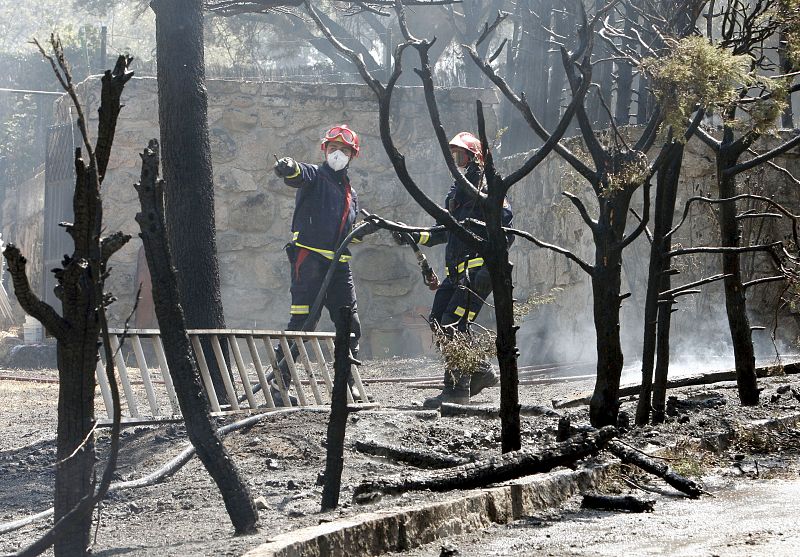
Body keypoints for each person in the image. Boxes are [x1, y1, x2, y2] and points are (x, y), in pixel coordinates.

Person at [396, 131, 513, 408]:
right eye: (454, 156)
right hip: (457, 272)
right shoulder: (457, 194)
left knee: (453, 323)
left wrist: (487, 259)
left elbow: (505, 225)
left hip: (479, 271)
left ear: (474, 158)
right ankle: (481, 371)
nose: (456, 162)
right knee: (438, 320)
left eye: (460, 156)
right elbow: (445, 231)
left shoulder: (486, 187)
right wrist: (413, 234)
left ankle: (457, 390)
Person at [271, 124, 376, 404]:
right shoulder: (315, 176)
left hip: (339, 265)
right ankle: (278, 386)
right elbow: (298, 174)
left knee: (349, 324)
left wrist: (362, 231)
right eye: (333, 148)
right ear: (324, 150)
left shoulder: (351, 193)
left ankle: (346, 385)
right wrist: (288, 166)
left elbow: (345, 233)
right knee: (303, 322)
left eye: (344, 150)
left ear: (352, 155)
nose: (337, 154)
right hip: (309, 260)